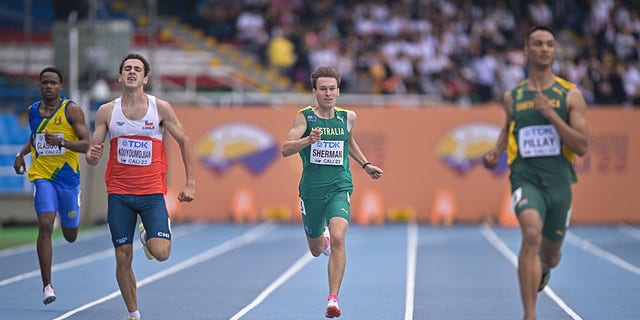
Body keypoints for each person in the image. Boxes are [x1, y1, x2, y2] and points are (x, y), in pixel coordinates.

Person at [483, 26, 589, 320]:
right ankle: (530, 314)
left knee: (551, 255)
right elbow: (510, 128)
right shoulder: (513, 96)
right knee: (530, 234)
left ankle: (543, 269)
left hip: (559, 182)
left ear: (555, 51)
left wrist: (552, 115)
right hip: (525, 179)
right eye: (538, 44)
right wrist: (495, 152)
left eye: (550, 44)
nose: (544, 49)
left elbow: (581, 146)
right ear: (527, 51)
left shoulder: (570, 95)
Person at [85, 53, 195, 320]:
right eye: (127, 69)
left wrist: (190, 183)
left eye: (137, 69)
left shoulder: (161, 108)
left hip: (151, 193)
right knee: (122, 255)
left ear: (145, 78)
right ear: (120, 77)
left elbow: (185, 141)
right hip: (119, 193)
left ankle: (148, 235)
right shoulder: (107, 111)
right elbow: (93, 149)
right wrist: (92, 155)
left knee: (162, 254)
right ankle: (133, 313)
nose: (132, 72)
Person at [281, 65, 383, 318]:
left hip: (340, 186)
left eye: (332, 89)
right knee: (316, 249)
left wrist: (366, 164)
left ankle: (332, 299)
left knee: (339, 237)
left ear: (338, 91)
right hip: (312, 191)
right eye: (323, 89)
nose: (328, 93)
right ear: (314, 92)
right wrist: (307, 140)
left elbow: (349, 141)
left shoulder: (348, 117)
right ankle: (322, 241)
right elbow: (285, 148)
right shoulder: (304, 117)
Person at [13, 66, 90, 305]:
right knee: (45, 224)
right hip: (42, 175)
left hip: (67, 180)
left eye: (53, 83)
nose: (48, 86)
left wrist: (63, 141)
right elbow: (35, 137)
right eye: (44, 82)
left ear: (61, 86)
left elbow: (86, 144)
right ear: (39, 86)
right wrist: (20, 154)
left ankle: (66, 217)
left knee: (70, 235)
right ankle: (47, 286)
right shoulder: (33, 110)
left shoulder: (71, 110)